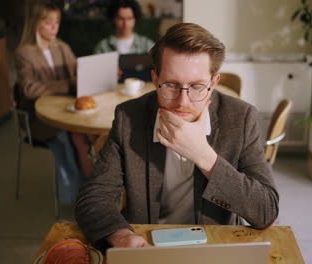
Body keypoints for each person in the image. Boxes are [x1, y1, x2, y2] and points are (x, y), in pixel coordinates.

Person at [76, 23, 279, 250]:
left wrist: (204, 157)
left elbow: (266, 210)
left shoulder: (241, 118)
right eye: (171, 85)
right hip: (146, 244)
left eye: (196, 86)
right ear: (155, 79)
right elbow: (94, 197)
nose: (183, 102)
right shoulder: (128, 117)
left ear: (213, 83)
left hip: (213, 247)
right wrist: (121, 236)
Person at [15, 2, 93, 204]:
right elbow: (29, 89)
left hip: (66, 112)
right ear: (35, 24)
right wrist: (67, 84)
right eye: (48, 23)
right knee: (68, 140)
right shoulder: (24, 53)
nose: (54, 27)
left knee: (90, 135)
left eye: (57, 22)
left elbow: (79, 72)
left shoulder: (62, 47)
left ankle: (91, 188)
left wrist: (90, 73)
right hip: (39, 118)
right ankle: (74, 195)